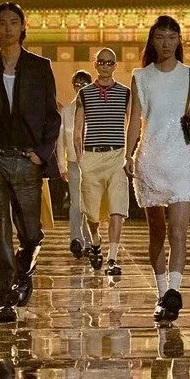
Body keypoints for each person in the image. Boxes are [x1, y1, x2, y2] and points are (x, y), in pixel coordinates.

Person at [0, 3, 61, 322]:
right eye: (2, 23)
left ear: (23, 27)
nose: (7, 28)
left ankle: (24, 272)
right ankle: (5, 294)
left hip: (28, 159)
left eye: (14, 22)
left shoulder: (39, 66)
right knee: (0, 227)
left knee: (31, 233)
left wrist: (41, 154)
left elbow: (52, 116)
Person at [125, 15, 190, 323]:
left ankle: (174, 291)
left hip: (181, 158)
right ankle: (161, 294)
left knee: (178, 231)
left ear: (179, 41)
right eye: (160, 37)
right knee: (157, 232)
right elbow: (135, 119)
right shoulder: (141, 76)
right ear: (152, 40)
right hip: (151, 157)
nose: (166, 43)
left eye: (172, 37)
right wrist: (129, 155)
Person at [74, 48, 131, 275]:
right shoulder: (84, 94)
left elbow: (132, 125)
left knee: (118, 208)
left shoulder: (126, 93)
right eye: (102, 62)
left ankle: (112, 258)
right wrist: (81, 160)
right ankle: (96, 241)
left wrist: (129, 154)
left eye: (110, 63)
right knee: (92, 213)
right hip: (92, 157)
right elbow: (78, 130)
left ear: (115, 66)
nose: (106, 66)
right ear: (95, 65)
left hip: (117, 156)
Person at [56, 70, 92, 258]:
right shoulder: (67, 111)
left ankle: (88, 238)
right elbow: (61, 141)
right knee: (76, 203)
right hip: (73, 164)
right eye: (77, 84)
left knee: (89, 204)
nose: (80, 87)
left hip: (93, 164)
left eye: (84, 84)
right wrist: (62, 166)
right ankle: (76, 239)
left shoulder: (95, 109)